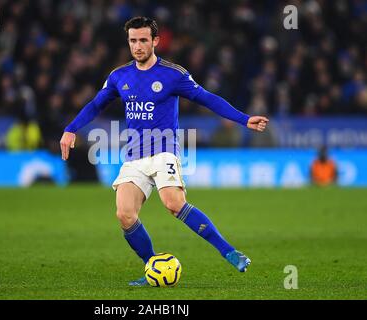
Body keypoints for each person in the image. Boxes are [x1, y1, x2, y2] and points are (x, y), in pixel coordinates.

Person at [60, 17, 269, 286]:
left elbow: (207, 98)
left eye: (143, 40)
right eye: (133, 40)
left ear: (155, 41)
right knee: (124, 214)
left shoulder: (174, 75)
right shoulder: (118, 76)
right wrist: (71, 128)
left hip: (163, 150)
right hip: (134, 155)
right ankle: (153, 267)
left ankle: (228, 251)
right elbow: (95, 105)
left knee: (173, 203)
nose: (137, 46)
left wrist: (243, 118)